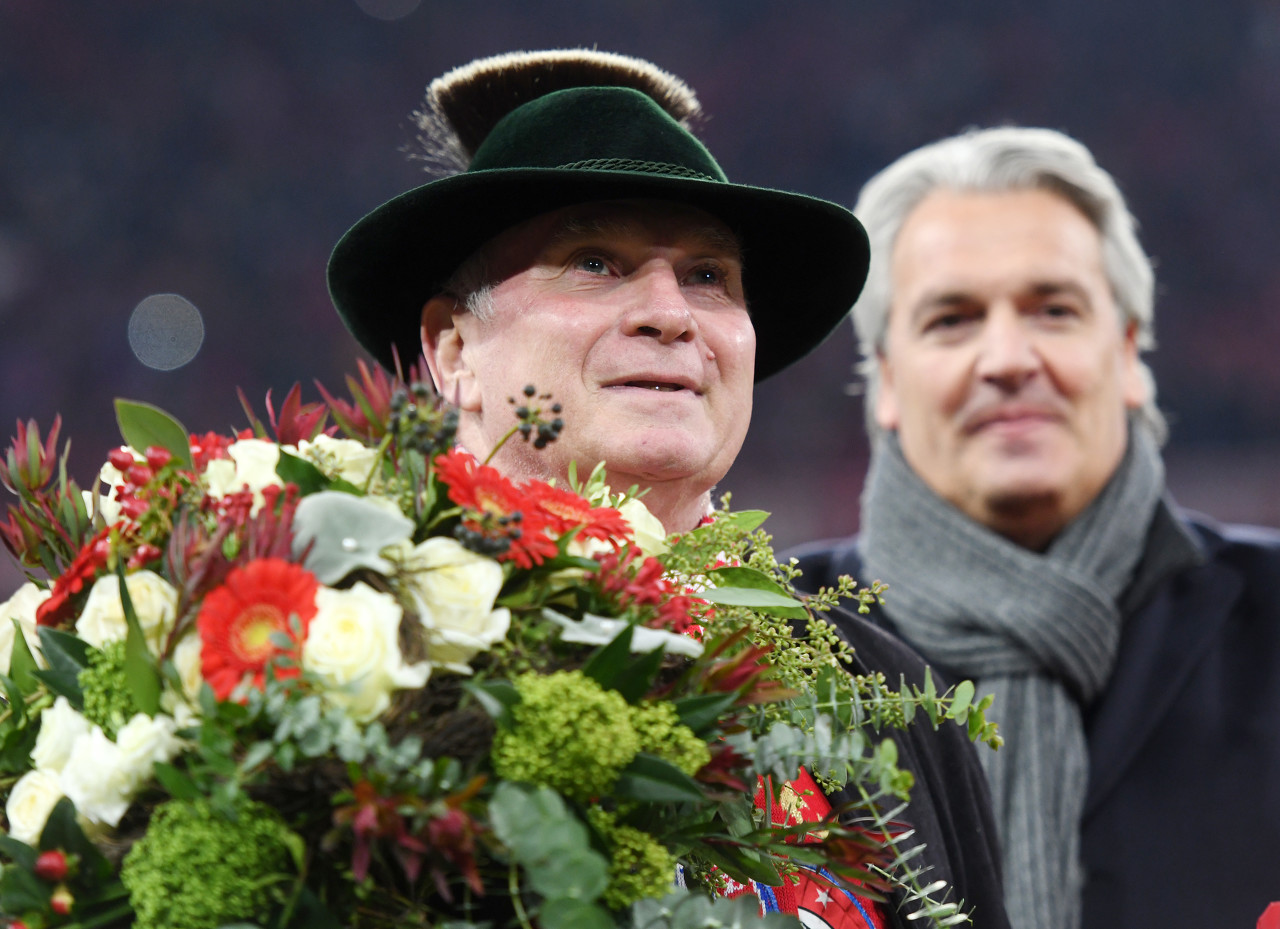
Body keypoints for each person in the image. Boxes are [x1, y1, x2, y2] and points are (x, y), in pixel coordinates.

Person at [326, 50, 1010, 929]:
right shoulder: (346, 655)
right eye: (594, 262)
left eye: (708, 276)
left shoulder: (880, 689)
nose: (671, 313)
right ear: (453, 350)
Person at [788, 125, 1280, 929]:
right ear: (885, 379)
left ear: (1129, 352)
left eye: (1054, 310)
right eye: (952, 319)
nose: (1008, 358)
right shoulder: (767, 642)